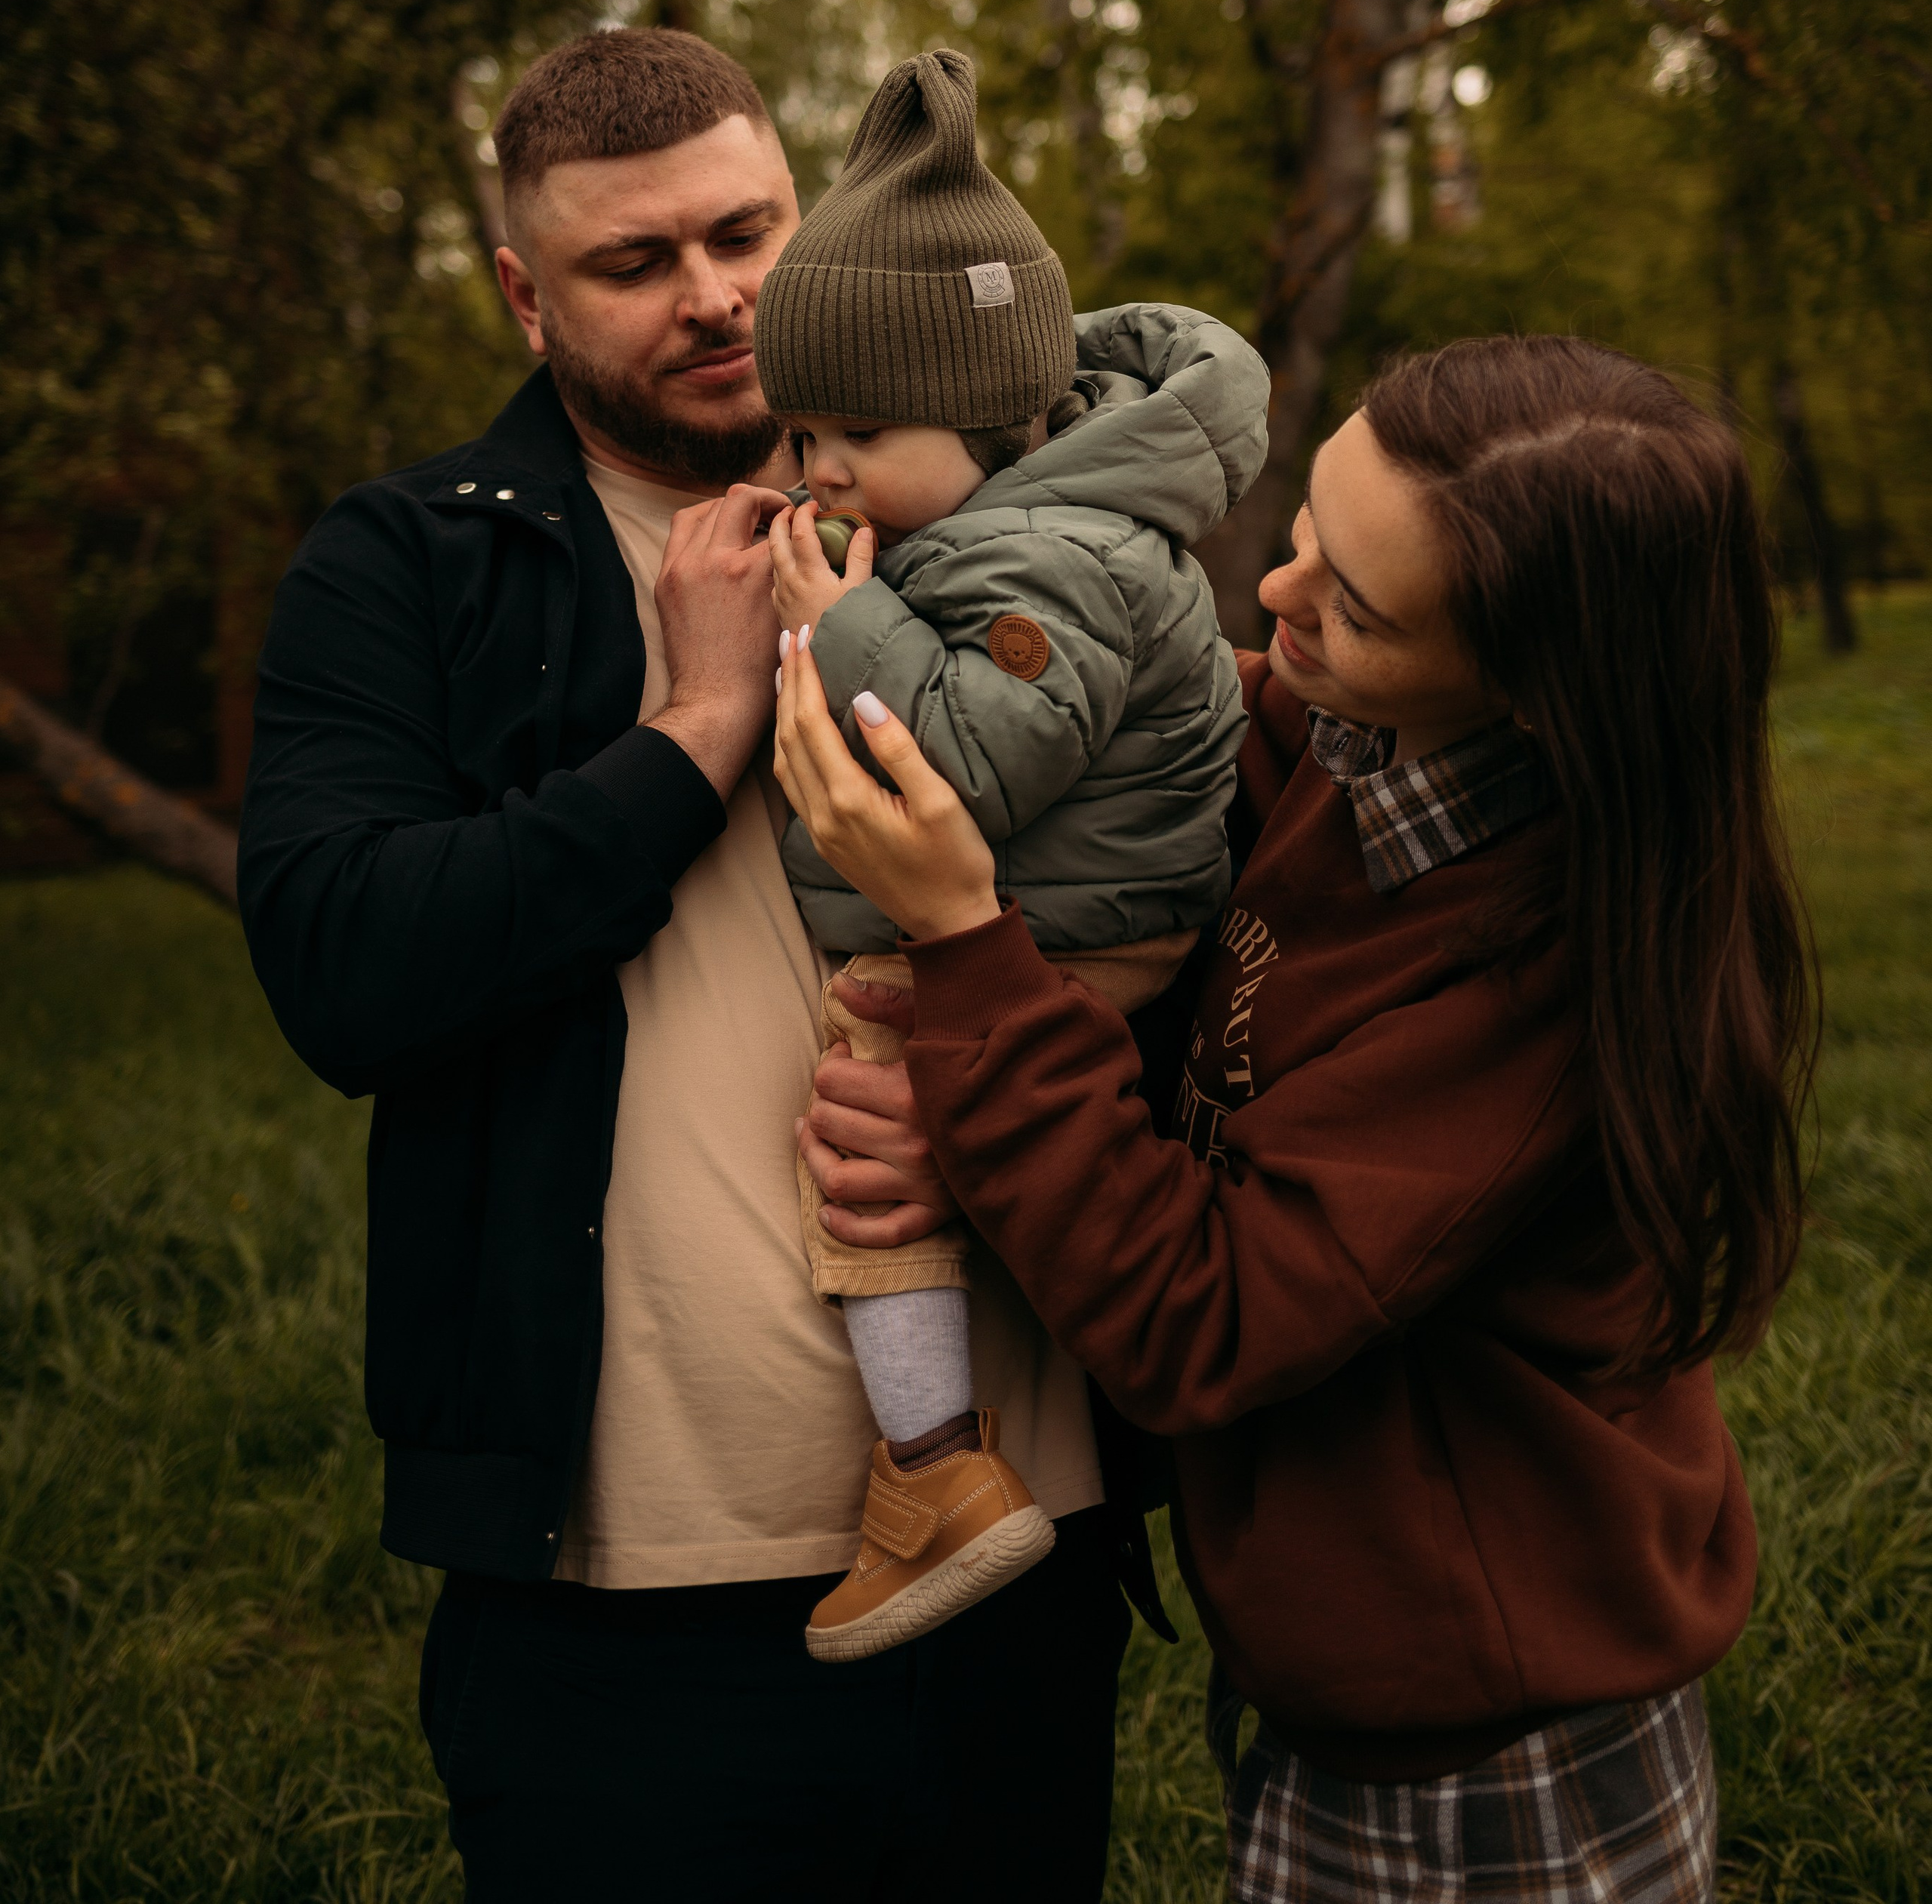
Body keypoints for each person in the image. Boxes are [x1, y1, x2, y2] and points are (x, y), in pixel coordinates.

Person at [239, 26, 1132, 1903]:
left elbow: (1173, 883)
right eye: (633, 263)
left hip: (1014, 1538)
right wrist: (699, 727)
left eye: (744, 234)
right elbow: (342, 968)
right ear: (524, 296)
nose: (713, 297)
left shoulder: (1014, 508)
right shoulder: (411, 564)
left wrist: (1019, 1097)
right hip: (622, 1583)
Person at [777, 334, 1817, 1902]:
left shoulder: (1537, 991)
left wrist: (965, 945)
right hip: (1350, 1664)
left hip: (1481, 1757)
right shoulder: (1356, 748)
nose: (1275, 593)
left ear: (1541, 691)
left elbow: (1196, 1317)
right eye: (1311, 528)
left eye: (1359, 608)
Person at [745, 47, 1267, 1660]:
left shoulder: (1053, 559)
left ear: (992, 421)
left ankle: (932, 1476)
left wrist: (839, 626)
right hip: (1083, 903)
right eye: (800, 431)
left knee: (868, 1113)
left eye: (858, 431)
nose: (820, 471)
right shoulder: (1012, 522)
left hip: (1080, 927)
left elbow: (968, 767)